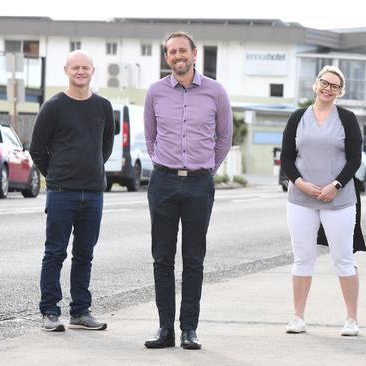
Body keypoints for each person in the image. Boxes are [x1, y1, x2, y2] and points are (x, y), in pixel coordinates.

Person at [143, 31, 233, 350]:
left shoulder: (215, 92)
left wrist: (206, 168)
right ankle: (165, 328)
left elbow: (224, 138)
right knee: (162, 258)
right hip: (163, 181)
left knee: (193, 258)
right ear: (166, 57)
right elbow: (151, 137)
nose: (178, 56)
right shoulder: (155, 92)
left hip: (199, 182)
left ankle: (189, 329)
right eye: (171, 52)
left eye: (183, 50)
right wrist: (163, 163)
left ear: (194, 53)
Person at [30, 50, 114, 332]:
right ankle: (50, 312)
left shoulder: (103, 106)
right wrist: (55, 176)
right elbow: (37, 149)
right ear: (66, 70)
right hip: (61, 192)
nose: (81, 72)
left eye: (85, 67)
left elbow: (106, 147)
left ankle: (80, 311)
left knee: (85, 254)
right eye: (75, 67)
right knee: (55, 253)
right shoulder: (53, 107)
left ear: (93, 71)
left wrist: (91, 171)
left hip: (93, 193)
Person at [280, 65, 363, 337]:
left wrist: (335, 186)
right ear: (316, 85)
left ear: (340, 92)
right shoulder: (297, 117)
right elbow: (288, 158)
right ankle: (297, 317)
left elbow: (354, 159)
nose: (328, 88)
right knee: (303, 257)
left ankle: (351, 319)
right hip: (301, 199)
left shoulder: (347, 119)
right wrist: (300, 183)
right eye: (324, 83)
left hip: (338, 199)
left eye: (334, 86)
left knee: (343, 259)